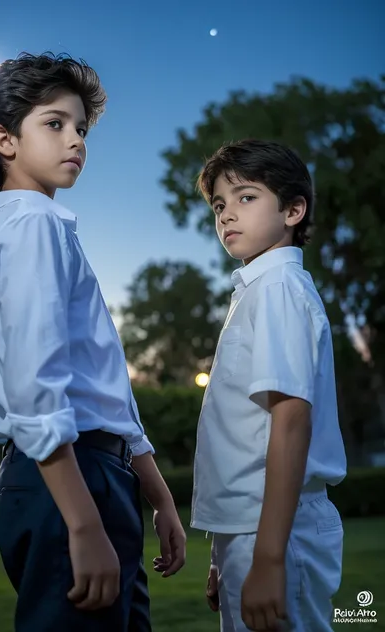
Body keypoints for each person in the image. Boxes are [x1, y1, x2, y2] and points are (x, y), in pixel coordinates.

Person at [0, 52, 186, 632]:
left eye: (81, 128)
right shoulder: (30, 226)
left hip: (97, 475)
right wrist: (83, 524)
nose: (76, 141)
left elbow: (103, 386)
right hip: (68, 481)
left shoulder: (44, 227)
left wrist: (157, 494)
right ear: (5, 140)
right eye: (55, 123)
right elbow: (35, 386)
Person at [191, 139, 347, 632]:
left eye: (246, 197)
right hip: (250, 531)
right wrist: (224, 552)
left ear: (293, 210)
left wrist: (270, 558)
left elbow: (291, 419)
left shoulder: (279, 290)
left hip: (279, 529)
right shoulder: (256, 291)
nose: (227, 215)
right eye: (219, 204)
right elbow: (241, 436)